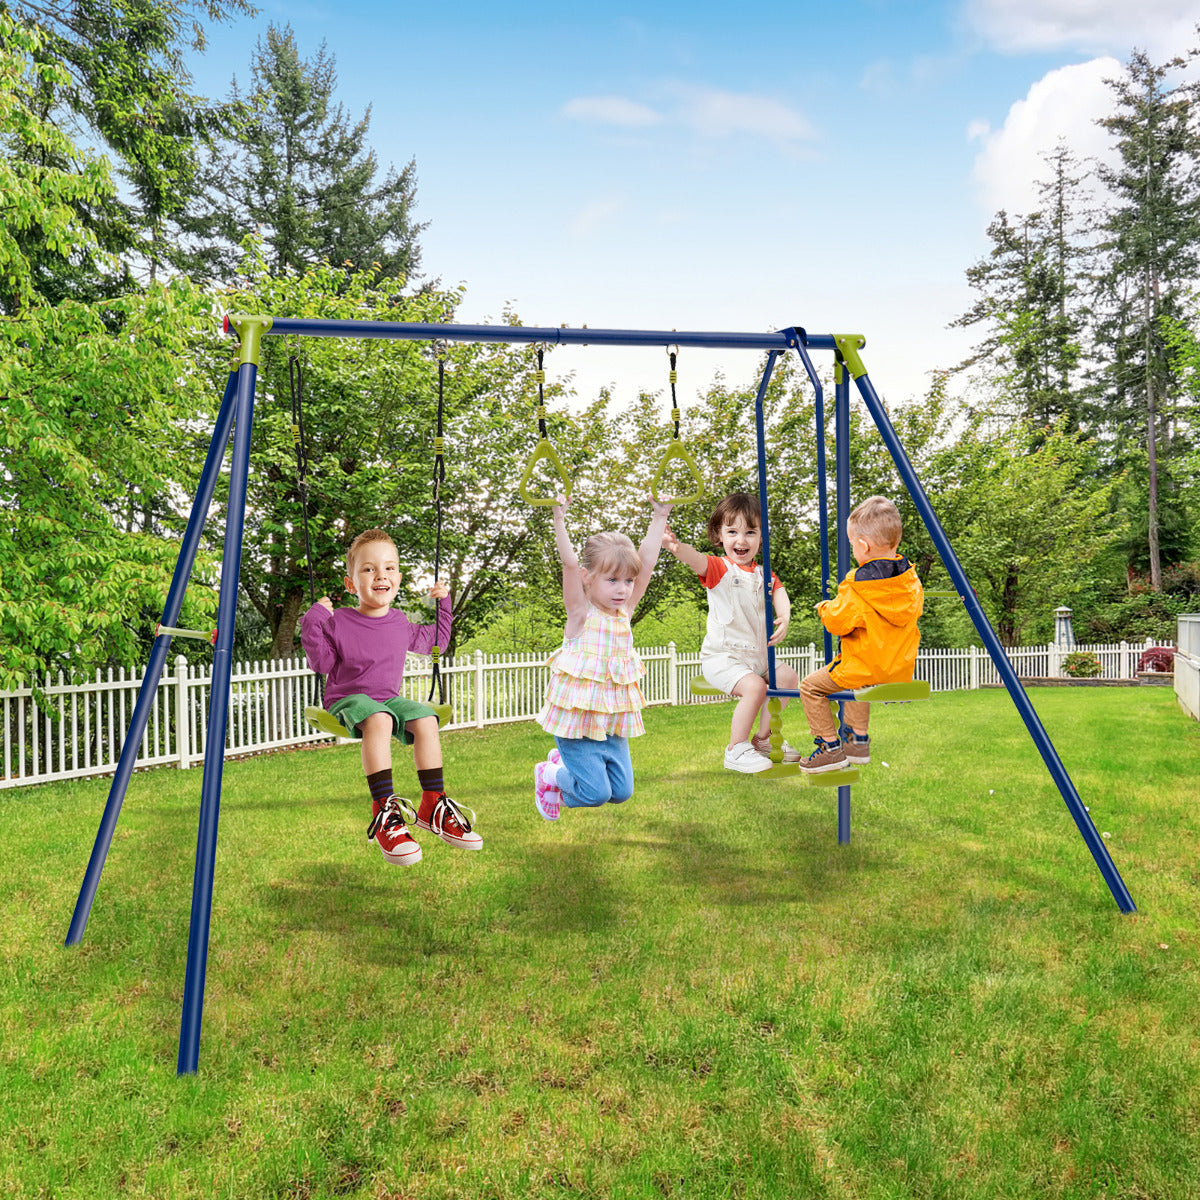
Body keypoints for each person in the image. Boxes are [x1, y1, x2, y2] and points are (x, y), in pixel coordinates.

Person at [300, 527, 481, 866]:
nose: (381, 574)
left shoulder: (400, 622)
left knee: (426, 718)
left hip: (386, 699)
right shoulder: (339, 621)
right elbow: (321, 661)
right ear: (351, 584)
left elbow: (435, 643)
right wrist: (313, 620)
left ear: (398, 576)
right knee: (380, 718)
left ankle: (433, 804)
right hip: (347, 700)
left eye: (389, 567)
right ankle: (385, 812)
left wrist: (443, 605)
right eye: (369, 569)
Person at [533, 494, 674, 820]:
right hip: (577, 727)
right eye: (612, 580)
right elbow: (569, 563)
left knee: (621, 793)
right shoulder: (580, 613)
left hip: (612, 725)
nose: (622, 588)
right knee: (596, 794)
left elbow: (647, 563)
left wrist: (659, 517)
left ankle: (564, 776)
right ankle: (550, 774)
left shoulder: (624, 612)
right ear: (589, 578)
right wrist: (558, 519)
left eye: (627, 581)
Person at [661, 491, 800, 773]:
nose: (741, 540)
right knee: (756, 687)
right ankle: (736, 748)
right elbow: (696, 559)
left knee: (787, 677)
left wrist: (784, 616)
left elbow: (780, 594)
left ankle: (763, 739)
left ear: (761, 537)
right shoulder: (719, 568)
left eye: (751, 532)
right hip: (724, 658)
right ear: (719, 535)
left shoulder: (765, 574)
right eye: (732, 531)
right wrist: (677, 548)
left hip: (758, 659)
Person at [798, 495, 923, 773]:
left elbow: (837, 623)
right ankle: (858, 742)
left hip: (865, 669)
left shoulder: (857, 585)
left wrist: (824, 608)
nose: (853, 549)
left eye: (853, 544)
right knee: (859, 685)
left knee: (811, 687)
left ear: (863, 545)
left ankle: (829, 748)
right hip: (899, 671)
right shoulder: (911, 581)